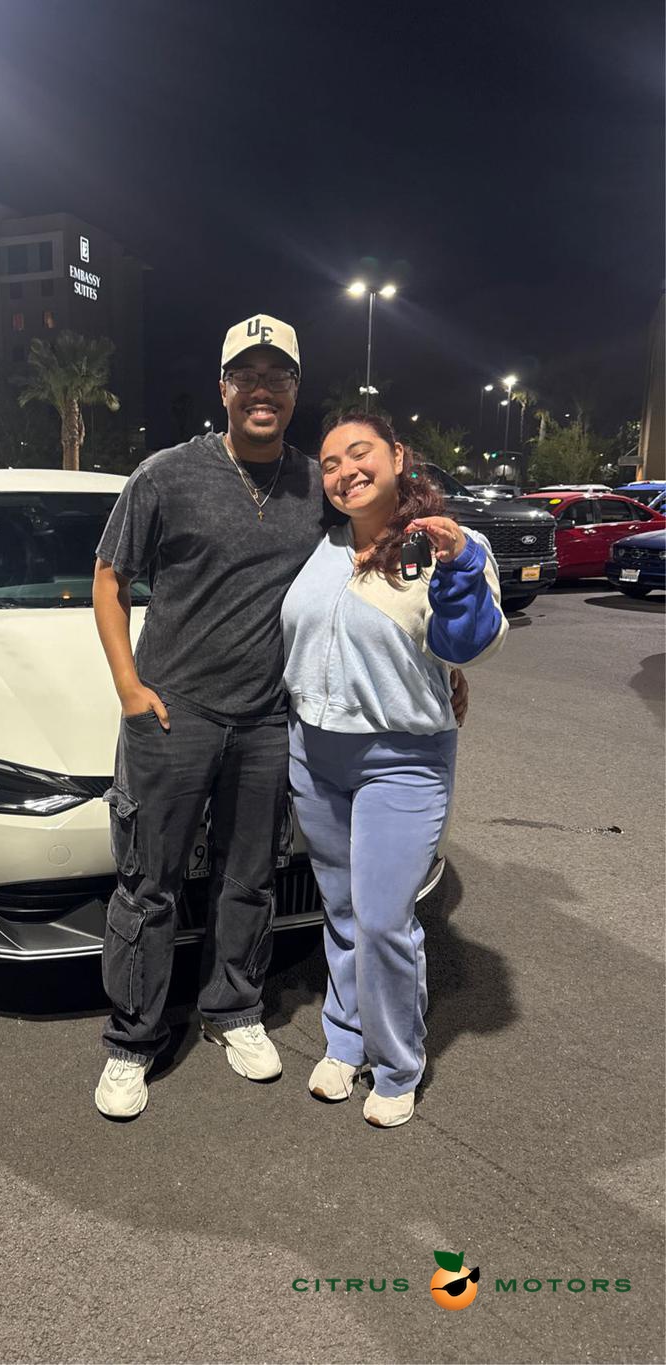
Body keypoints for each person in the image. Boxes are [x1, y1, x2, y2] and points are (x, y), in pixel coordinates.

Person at [90, 317, 468, 1119]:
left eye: (278, 376)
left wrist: (445, 662)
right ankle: (133, 1039)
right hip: (173, 710)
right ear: (223, 386)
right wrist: (128, 685)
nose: (262, 389)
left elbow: (371, 576)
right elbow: (109, 578)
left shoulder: (316, 485)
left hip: (270, 719)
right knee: (149, 882)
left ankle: (232, 1010)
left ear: (295, 390)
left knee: (249, 877)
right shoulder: (165, 475)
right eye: (247, 375)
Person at [282, 412, 507, 1129]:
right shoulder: (322, 550)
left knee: (383, 918)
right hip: (315, 755)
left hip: (402, 759)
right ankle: (345, 1038)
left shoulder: (442, 544)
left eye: (360, 453)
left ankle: (396, 1063)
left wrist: (461, 569)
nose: (345, 471)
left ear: (398, 456)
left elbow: (468, 643)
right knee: (343, 909)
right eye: (330, 463)